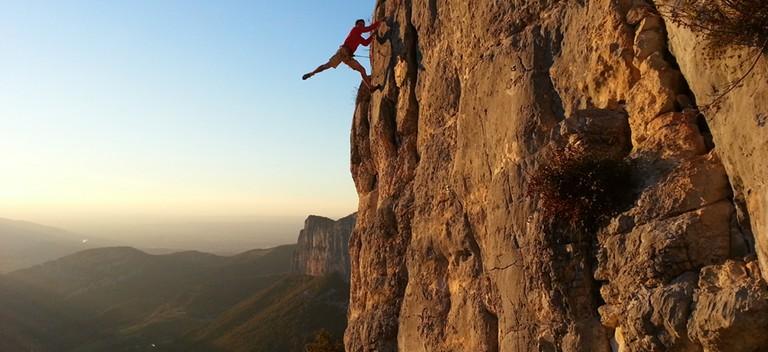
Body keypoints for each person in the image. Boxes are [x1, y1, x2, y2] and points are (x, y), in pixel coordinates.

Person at [303, 19, 382, 91]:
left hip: (348, 57)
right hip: (342, 52)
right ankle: (312, 73)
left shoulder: (359, 37)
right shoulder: (355, 29)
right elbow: (367, 29)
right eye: (360, 24)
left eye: (363, 24)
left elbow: (365, 43)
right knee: (327, 65)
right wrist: (379, 22)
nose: (362, 26)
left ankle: (371, 88)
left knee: (362, 70)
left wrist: (373, 35)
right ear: (357, 25)